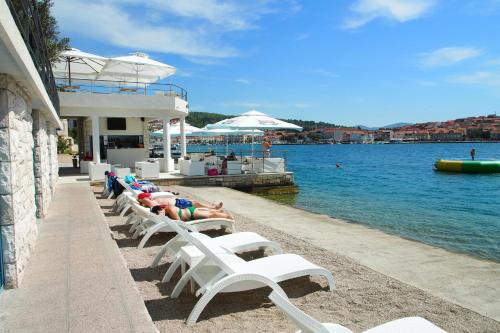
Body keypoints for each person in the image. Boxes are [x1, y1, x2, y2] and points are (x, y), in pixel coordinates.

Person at [137, 192, 223, 210]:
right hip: (178, 204)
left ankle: (210, 206)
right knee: (196, 203)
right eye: (148, 196)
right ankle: (214, 207)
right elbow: (156, 207)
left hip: (178, 202)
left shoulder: (148, 201)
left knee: (194, 202)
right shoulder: (147, 201)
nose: (150, 197)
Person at [151, 204, 234, 221]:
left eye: (159, 213)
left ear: (160, 210)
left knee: (210, 215)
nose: (160, 215)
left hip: (191, 213)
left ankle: (227, 216)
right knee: (209, 212)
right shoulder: (167, 209)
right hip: (190, 212)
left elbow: (179, 221)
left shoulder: (170, 210)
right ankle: (220, 211)